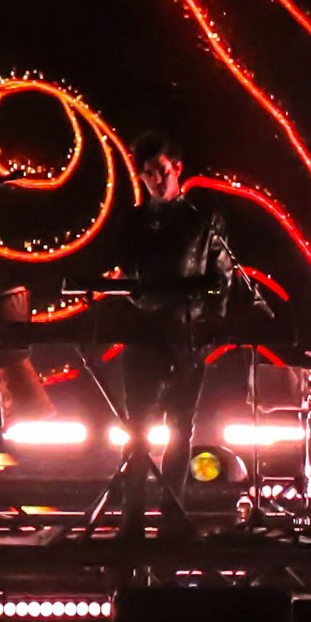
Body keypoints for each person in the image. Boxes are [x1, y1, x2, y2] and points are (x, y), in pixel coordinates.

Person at [95, 134, 237, 531]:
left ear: (177, 169)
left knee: (179, 428)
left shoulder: (203, 219)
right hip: (142, 333)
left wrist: (208, 327)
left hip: (186, 334)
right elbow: (122, 272)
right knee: (137, 426)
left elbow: (221, 278)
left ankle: (173, 513)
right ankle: (134, 516)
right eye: (149, 173)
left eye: (162, 171)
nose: (156, 179)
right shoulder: (133, 221)